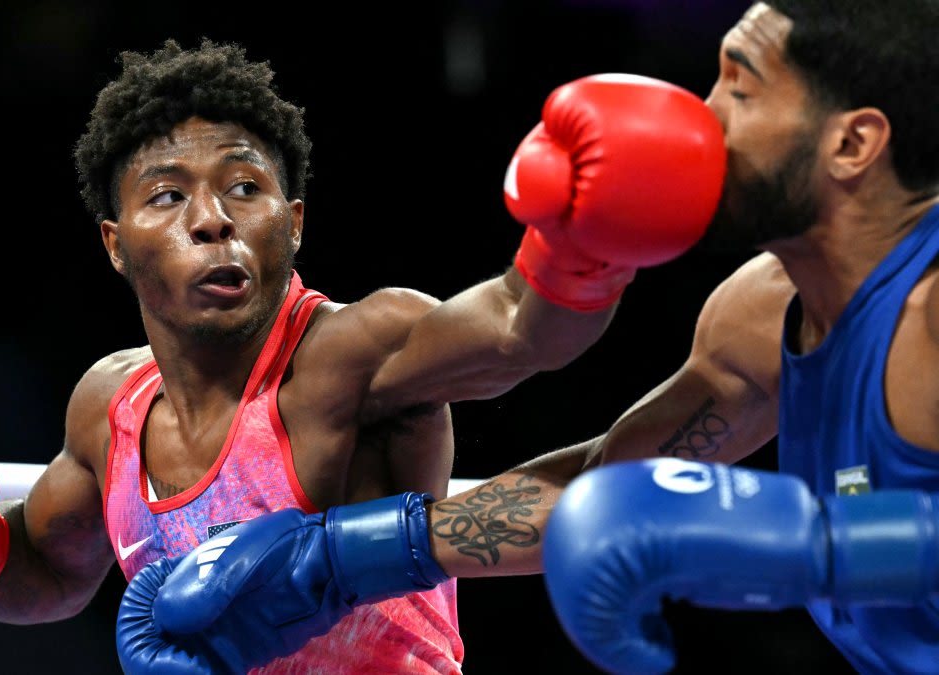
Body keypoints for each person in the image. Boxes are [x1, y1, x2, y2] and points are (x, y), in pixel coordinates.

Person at [0, 38, 726, 674]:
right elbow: (50, 577)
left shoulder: (348, 352)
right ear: (116, 243)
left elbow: (523, 333)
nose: (212, 218)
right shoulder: (108, 404)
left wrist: (578, 247)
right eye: (167, 196)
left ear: (295, 222)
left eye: (245, 186)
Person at [117, 1, 939, 673]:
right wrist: (336, 558)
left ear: (852, 144)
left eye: (741, 91)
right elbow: (605, 486)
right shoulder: (758, 313)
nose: (703, 118)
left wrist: (821, 549)